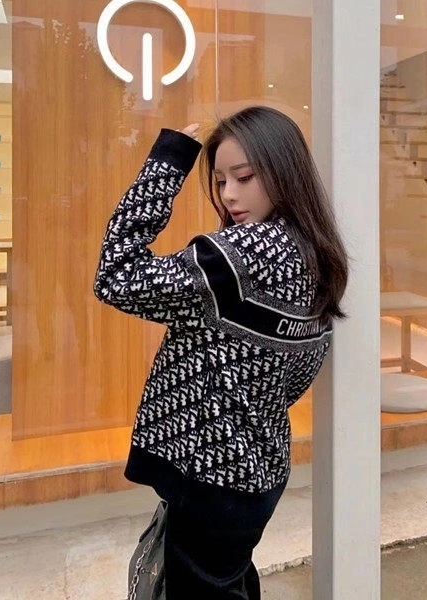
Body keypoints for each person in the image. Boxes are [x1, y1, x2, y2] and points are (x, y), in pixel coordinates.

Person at [94, 105, 348, 599]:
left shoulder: (239, 256)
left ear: (284, 171)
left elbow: (116, 275)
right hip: (259, 468)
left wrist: (167, 163)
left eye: (244, 177)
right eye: (221, 180)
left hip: (209, 479)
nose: (229, 194)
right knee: (228, 579)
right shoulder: (314, 250)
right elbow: (299, 369)